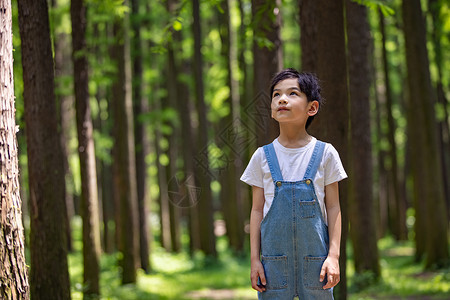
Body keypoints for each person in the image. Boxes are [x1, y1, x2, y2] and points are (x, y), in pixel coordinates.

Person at [241, 68, 347, 299]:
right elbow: (257, 210)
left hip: (317, 264)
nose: (282, 99)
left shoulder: (326, 153)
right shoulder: (261, 157)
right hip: (273, 267)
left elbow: (333, 207)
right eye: (276, 94)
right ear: (270, 109)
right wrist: (254, 260)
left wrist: (334, 256)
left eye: (292, 93)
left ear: (312, 107)